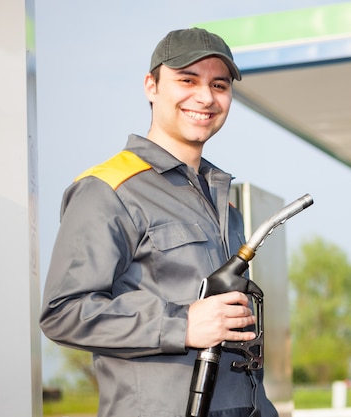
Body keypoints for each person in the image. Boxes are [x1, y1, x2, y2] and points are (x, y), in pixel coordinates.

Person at [40, 28, 278, 417]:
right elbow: (64, 313)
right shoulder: (108, 190)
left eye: (219, 85)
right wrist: (181, 325)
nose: (205, 97)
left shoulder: (222, 201)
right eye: (187, 80)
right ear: (151, 86)